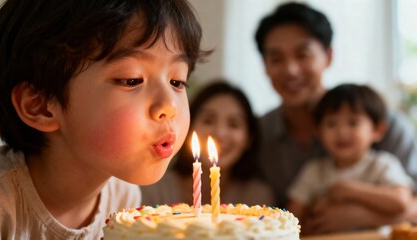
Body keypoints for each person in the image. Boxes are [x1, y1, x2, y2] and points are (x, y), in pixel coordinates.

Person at [0, 0, 209, 238]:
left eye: (177, 82)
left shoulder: (124, 197)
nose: (169, 106)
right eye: (132, 80)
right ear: (41, 106)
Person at [254, 1, 417, 233]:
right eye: (277, 58)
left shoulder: (384, 123)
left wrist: (360, 215)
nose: (291, 69)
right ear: (265, 66)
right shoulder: (259, 134)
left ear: (328, 56)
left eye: (303, 54)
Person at [287, 83, 414, 234]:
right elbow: (292, 216)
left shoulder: (383, 164)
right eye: (331, 124)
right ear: (318, 132)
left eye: (353, 123)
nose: (342, 132)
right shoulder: (314, 170)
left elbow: (401, 201)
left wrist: (349, 190)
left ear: (377, 130)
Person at [141, 81, 274, 206]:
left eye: (234, 124)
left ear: (249, 138)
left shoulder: (257, 199)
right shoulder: (153, 188)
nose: (220, 133)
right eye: (208, 121)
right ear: (188, 126)